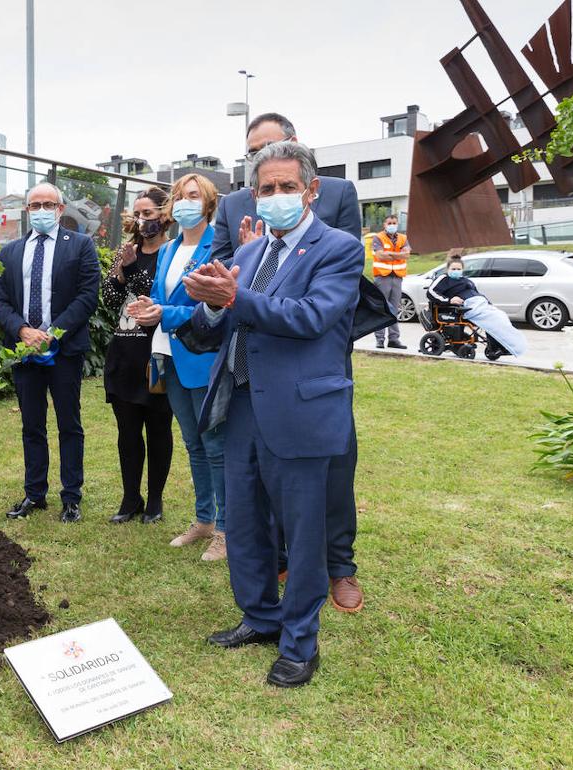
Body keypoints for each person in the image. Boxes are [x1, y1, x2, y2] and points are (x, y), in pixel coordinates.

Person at [184, 140, 364, 687]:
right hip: (241, 405)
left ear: (311, 190)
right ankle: (259, 616)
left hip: (301, 411)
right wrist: (210, 304)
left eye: (288, 187)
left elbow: (310, 317)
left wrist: (234, 299)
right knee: (244, 522)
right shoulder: (246, 253)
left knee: (303, 532)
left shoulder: (338, 249)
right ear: (253, 196)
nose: (277, 196)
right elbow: (211, 328)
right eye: (266, 189)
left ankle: (299, 643)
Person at [211, 111, 375, 612]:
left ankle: (338, 566)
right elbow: (223, 271)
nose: (271, 186)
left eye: (273, 150)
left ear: (308, 183)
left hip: (312, 362)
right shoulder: (240, 212)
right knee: (251, 498)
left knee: (326, 473)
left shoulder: (338, 204)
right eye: (255, 163)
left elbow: (329, 282)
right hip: (249, 372)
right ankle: (266, 591)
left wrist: (248, 290)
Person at [128, 175, 227, 559]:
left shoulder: (218, 245)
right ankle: (203, 520)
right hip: (169, 355)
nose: (185, 203)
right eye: (179, 197)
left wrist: (164, 312)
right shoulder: (169, 249)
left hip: (202, 357)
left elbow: (212, 306)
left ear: (207, 203)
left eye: (193, 196)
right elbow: (158, 295)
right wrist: (146, 307)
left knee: (216, 445)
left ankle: (225, 528)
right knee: (193, 444)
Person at [0, 182, 102, 524]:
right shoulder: (10, 252)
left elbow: (87, 296)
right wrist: (23, 331)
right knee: (31, 424)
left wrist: (51, 335)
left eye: (48, 204)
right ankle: (34, 494)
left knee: (69, 423)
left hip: (64, 350)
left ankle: (71, 497)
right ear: (28, 211)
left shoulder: (81, 246)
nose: (41, 210)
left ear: (59, 208)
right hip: (24, 351)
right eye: (34, 205)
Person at [100, 188, 174, 525]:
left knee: (158, 427)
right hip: (123, 354)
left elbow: (152, 293)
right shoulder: (124, 252)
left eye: (149, 213)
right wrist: (119, 272)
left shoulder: (172, 254)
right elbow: (111, 299)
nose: (143, 220)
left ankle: (155, 500)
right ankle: (131, 498)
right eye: (138, 214)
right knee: (127, 432)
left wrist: (129, 271)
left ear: (164, 214)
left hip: (156, 355)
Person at [427, 256, 528, 355]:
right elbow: (431, 292)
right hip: (466, 307)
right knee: (493, 319)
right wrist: (449, 300)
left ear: (462, 270)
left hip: (480, 303)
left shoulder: (466, 281)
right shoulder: (444, 279)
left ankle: (501, 346)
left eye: (458, 269)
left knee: (501, 316)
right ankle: (502, 346)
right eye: (453, 269)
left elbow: (477, 293)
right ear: (448, 269)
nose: (456, 271)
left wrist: (489, 304)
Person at [371, 214, 410, 349]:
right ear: (384, 224)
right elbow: (380, 255)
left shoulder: (403, 238)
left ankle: (393, 339)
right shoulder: (378, 237)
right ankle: (380, 339)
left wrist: (390, 255)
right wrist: (398, 254)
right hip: (382, 277)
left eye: (394, 223)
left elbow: (407, 254)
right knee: (382, 308)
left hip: (397, 277)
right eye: (390, 223)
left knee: (394, 308)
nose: (392, 225)